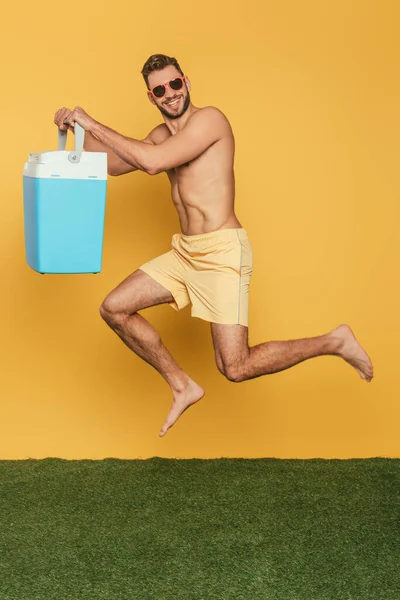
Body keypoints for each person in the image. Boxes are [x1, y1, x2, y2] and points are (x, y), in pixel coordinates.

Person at [54, 54, 374, 437]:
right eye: (160, 90)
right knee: (114, 308)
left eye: (175, 84)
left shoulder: (210, 120)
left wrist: (93, 122)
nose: (170, 94)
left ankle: (334, 341)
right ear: (151, 97)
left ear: (186, 81)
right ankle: (181, 385)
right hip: (186, 252)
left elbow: (153, 163)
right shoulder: (159, 135)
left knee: (235, 367)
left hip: (222, 251)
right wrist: (75, 131)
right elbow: (113, 164)